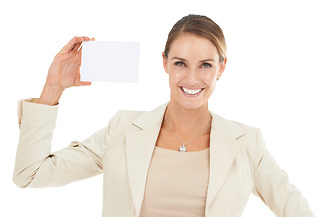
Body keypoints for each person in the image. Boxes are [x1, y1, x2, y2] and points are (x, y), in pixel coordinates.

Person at [13, 14, 315, 217]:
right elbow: (30, 174)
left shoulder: (247, 143)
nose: (192, 78)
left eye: (206, 65)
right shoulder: (124, 129)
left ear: (222, 68)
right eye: (181, 63)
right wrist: (53, 88)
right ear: (165, 63)